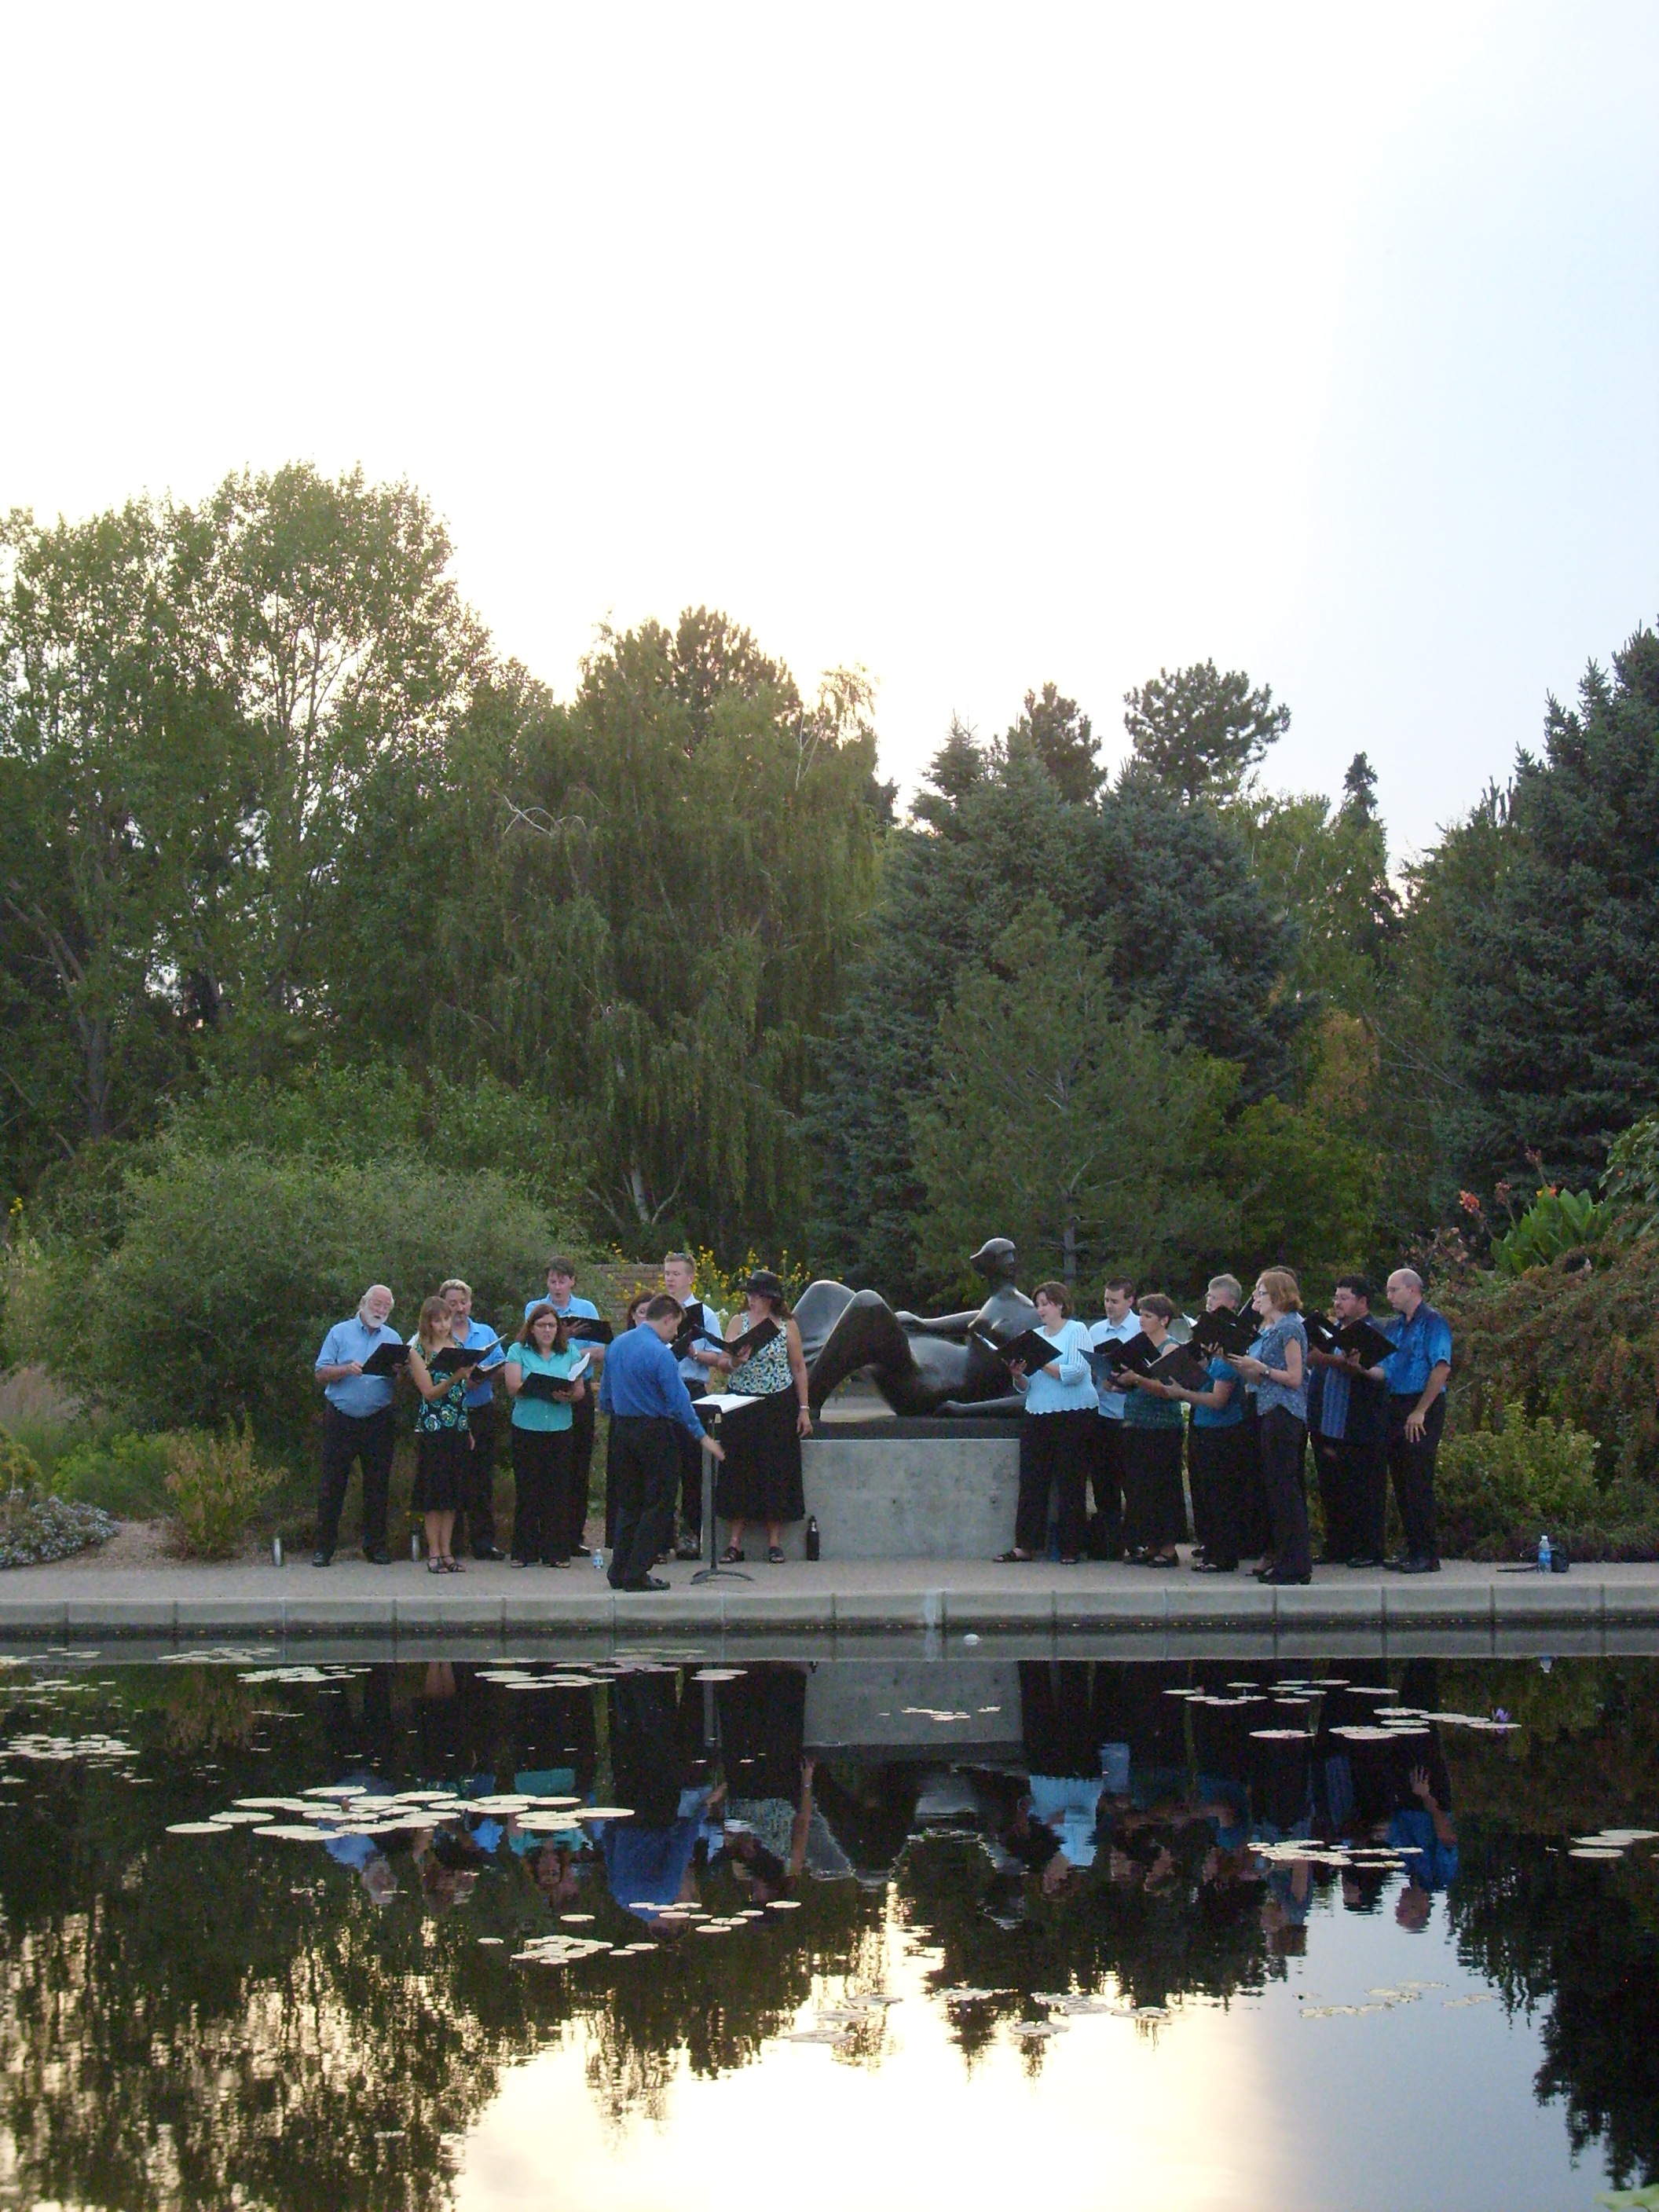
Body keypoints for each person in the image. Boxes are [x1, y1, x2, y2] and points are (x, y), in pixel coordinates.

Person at [599, 1294, 725, 1591]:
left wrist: (615, 1412)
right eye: (675, 1327)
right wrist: (703, 1437)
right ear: (666, 1318)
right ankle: (638, 1571)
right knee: (658, 1502)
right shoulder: (660, 1354)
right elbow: (680, 1402)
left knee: (629, 1503)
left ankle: (619, 1569)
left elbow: (605, 1394)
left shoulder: (618, 1345)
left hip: (622, 1429)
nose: (675, 1335)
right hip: (654, 1432)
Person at [996, 1281, 1097, 1563]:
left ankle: (1070, 1546)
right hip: (1038, 1412)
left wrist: (1039, 1361)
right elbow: (1026, 1386)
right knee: (1032, 1481)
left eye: (1046, 1303)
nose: (1040, 1309)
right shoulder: (1033, 1336)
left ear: (1061, 1305)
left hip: (1073, 1413)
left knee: (1070, 1480)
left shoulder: (1076, 1330)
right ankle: (1026, 1544)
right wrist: (1018, 1373)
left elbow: (1076, 1371)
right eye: (1038, 1304)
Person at [717, 1271, 813, 1566]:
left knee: (776, 1467)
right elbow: (724, 1362)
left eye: (758, 1296)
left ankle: (774, 1541)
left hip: (776, 1401)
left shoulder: (787, 1326)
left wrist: (804, 1409)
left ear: (771, 1299)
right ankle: (734, 1541)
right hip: (741, 1401)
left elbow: (798, 1367)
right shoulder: (738, 1322)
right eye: (749, 1295)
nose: (752, 1300)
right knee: (738, 1467)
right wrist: (736, 1359)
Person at [312, 1284, 405, 1568]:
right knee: (332, 1484)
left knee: (377, 1485)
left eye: (386, 1307)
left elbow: (398, 1380)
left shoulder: (393, 1338)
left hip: (378, 1418)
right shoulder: (339, 1332)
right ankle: (324, 1548)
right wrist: (345, 1369)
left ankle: (375, 1547)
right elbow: (320, 1372)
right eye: (376, 1304)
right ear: (363, 1303)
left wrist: (400, 1372)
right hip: (341, 1417)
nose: (380, 1311)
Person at [1305, 1273, 1392, 1567]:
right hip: (1326, 1424)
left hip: (1359, 1426)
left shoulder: (1376, 1331)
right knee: (1333, 1489)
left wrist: (1350, 1365)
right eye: (1336, 1297)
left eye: (1344, 1298)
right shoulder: (1332, 1332)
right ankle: (1338, 1545)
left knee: (1364, 1489)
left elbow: (1382, 1374)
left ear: (1363, 1302)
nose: (1337, 1303)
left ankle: (1369, 1549)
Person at [1232, 1269, 1310, 1585]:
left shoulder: (1291, 1327)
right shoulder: (1268, 1330)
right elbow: (1257, 1376)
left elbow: (1294, 1377)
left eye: (1261, 1293)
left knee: (1285, 1489)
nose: (1256, 1298)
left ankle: (1296, 1563)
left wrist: (1261, 1368)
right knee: (1273, 1489)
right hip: (1265, 1408)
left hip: (1284, 1411)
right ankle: (1284, 1557)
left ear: (1278, 1295)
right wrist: (1237, 1363)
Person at [526, 1258, 606, 1560]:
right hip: (546, 1389)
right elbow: (532, 1344)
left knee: (578, 1464)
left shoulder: (586, 1308)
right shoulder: (536, 1308)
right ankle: (542, 1535)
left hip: (578, 1390)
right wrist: (566, 1339)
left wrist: (579, 1351)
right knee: (546, 1466)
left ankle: (574, 1535)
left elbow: (601, 1350)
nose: (556, 1287)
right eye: (552, 1281)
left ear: (573, 1281)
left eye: (562, 1281)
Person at [1168, 1273, 1247, 1573]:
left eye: (1213, 1299)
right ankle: (1211, 1545)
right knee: (1203, 1490)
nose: (1208, 1303)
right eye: (1207, 1298)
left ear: (1230, 1302)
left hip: (1223, 1427)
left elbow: (1219, 1398)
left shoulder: (1231, 1339)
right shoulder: (1214, 1343)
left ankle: (1223, 1554)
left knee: (1220, 1493)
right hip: (1204, 1424)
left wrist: (1182, 1393)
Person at [501, 1303, 588, 1568]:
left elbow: (580, 1390)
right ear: (532, 1328)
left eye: (552, 1325)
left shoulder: (569, 1351)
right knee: (528, 1489)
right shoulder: (518, 1351)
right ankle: (524, 1551)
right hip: (528, 1428)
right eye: (542, 1325)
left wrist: (568, 1394)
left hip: (560, 1428)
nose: (547, 1330)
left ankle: (557, 1552)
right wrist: (542, 1390)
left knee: (558, 1490)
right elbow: (513, 1385)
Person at [1380, 1266, 1453, 1574]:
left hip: (1422, 1401)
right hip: (1396, 1401)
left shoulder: (1433, 1322)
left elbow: (1441, 1367)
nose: (1389, 1296)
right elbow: (1384, 1369)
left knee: (1418, 1476)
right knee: (1400, 1477)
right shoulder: (1395, 1327)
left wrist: (1421, 1409)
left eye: (1394, 1290)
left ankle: (1427, 1552)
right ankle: (1412, 1547)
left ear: (1413, 1290)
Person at [1114, 1294, 1189, 1566]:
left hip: (1162, 1425)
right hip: (1136, 1420)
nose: (1142, 1320)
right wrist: (1118, 1380)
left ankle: (1168, 1547)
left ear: (1164, 1320)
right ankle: (1150, 1541)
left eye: (1148, 1316)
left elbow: (1169, 1389)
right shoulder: (1139, 1346)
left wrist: (1137, 1378)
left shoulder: (1170, 1348)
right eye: (1141, 1315)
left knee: (1163, 1485)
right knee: (1139, 1487)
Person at [663, 1251, 729, 1558]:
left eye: (677, 1273)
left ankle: (691, 1534)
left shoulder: (706, 1315)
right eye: (667, 1273)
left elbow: (719, 1358)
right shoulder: (658, 1311)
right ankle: (662, 1534)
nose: (670, 1278)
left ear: (690, 1278)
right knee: (662, 1464)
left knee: (691, 1466)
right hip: (661, 1389)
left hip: (691, 1388)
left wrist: (692, 1352)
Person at [440, 1278, 507, 1562]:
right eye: (453, 1303)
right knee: (450, 1477)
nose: (459, 1308)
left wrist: (483, 1374)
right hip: (449, 1412)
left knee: (481, 1478)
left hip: (481, 1410)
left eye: (463, 1302)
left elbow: (501, 1365)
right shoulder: (436, 1332)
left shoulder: (484, 1331)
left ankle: (483, 1542)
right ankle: (450, 1544)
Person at [407, 1295, 474, 1573]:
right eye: (438, 1321)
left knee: (452, 1494)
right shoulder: (417, 1351)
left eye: (447, 1319)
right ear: (428, 1322)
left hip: (457, 1426)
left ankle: (448, 1551)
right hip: (434, 1427)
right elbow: (429, 1393)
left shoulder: (457, 1346)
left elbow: (462, 1396)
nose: (444, 1325)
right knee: (434, 1494)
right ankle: (433, 1551)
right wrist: (456, 1377)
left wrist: (468, 1427)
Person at [1086, 1276, 1139, 1558]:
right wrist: (1099, 1377)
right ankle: (1109, 1542)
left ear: (1130, 1301)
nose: (1109, 1306)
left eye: (1114, 1301)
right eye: (1106, 1300)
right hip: (1104, 1411)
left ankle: (1136, 1539)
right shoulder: (1095, 1330)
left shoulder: (1139, 1327)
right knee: (1104, 1479)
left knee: (1131, 1479)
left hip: (1131, 1413)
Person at [603, 1291, 657, 1549]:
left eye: (651, 1313)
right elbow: (606, 1389)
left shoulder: (658, 1349)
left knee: (649, 1491)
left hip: (643, 1421)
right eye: (641, 1312)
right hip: (630, 1422)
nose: (645, 1318)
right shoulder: (621, 1345)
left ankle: (650, 1546)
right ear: (632, 1316)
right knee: (627, 1490)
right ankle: (625, 1547)